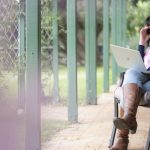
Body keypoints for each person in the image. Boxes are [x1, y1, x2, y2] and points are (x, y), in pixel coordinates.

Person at [110, 16, 150, 150]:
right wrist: (142, 41)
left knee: (124, 90)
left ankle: (122, 139)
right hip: (142, 82)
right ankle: (129, 118)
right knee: (132, 72)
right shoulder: (148, 50)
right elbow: (137, 63)